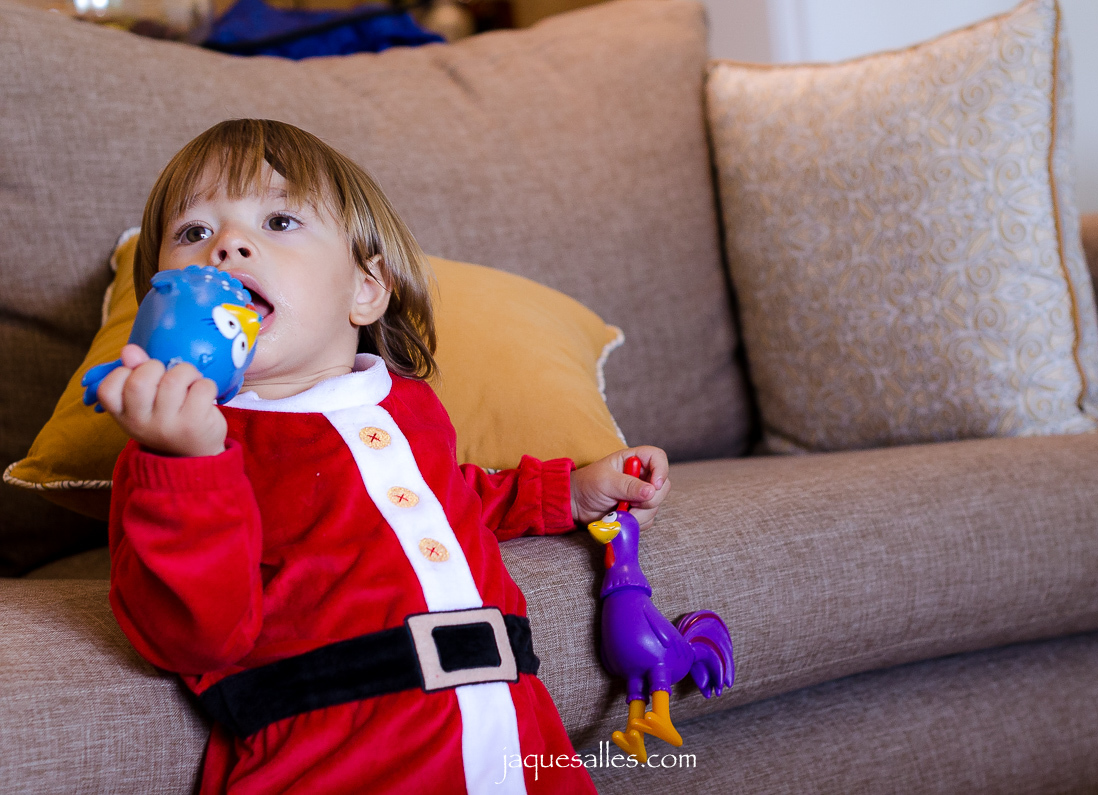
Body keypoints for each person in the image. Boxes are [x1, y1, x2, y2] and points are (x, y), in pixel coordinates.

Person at [94, 118, 670, 795]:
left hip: (519, 734)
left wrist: (567, 492)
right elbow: (194, 636)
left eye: (279, 221)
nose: (227, 246)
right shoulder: (182, 452)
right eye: (193, 233)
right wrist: (186, 462)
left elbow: (454, 495)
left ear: (366, 289)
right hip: (339, 753)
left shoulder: (406, 405)